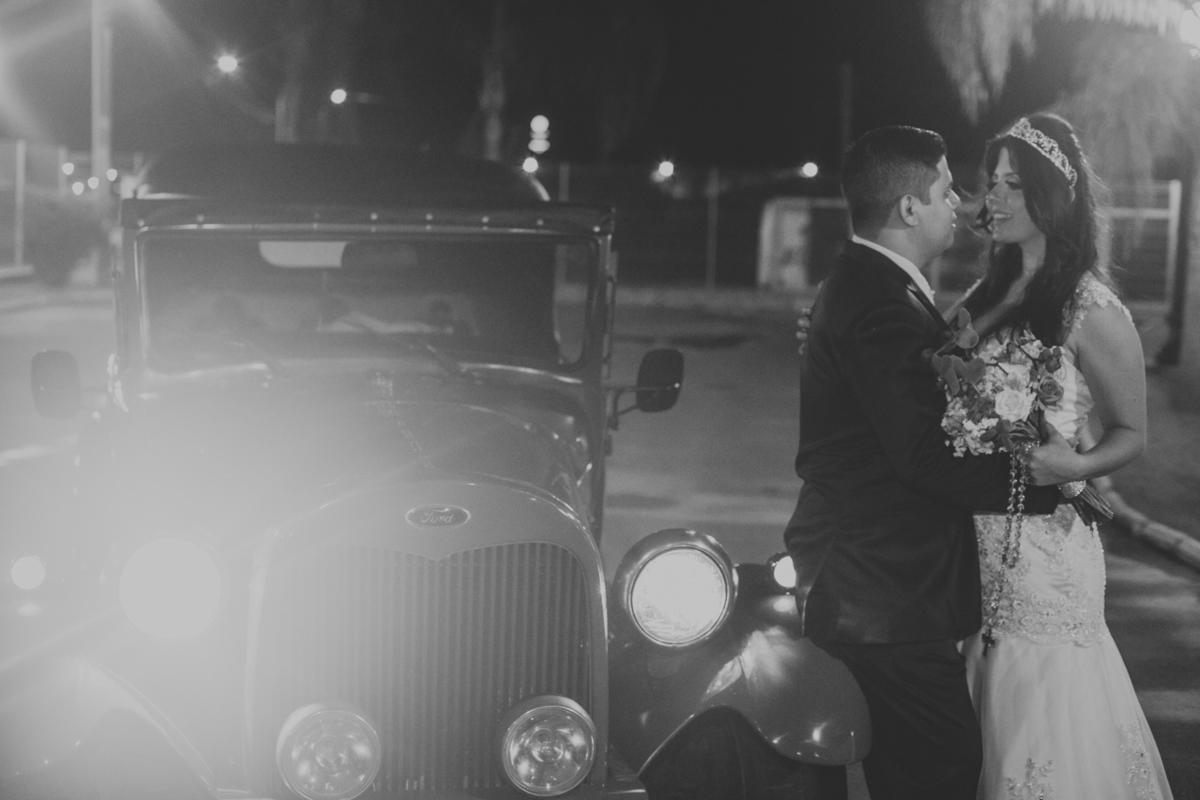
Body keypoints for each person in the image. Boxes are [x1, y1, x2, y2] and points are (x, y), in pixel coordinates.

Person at [783, 125, 1064, 800]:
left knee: (921, 770)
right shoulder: (879, 303)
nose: (962, 203)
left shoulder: (877, 287)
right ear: (909, 208)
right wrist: (1044, 481)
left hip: (882, 585)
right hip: (885, 596)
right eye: (947, 189)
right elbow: (921, 458)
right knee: (938, 772)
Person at [954, 113, 1172, 799]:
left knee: (1043, 730)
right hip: (967, 549)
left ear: (1053, 196)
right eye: (992, 182)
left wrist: (1073, 466)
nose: (995, 197)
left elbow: (1131, 432)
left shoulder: (1092, 308)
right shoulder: (979, 298)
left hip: (1047, 558)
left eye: (1014, 185)